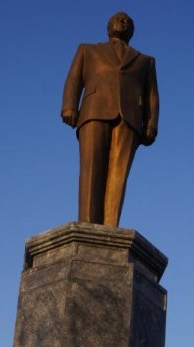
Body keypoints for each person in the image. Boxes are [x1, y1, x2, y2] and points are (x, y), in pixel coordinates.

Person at [61, 11, 159, 227]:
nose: (123, 21)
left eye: (128, 21)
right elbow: (74, 79)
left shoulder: (145, 61)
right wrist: (69, 106)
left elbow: (152, 93)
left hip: (129, 118)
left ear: (132, 30)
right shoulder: (88, 50)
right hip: (94, 111)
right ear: (108, 27)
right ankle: (87, 225)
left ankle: (110, 227)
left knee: (118, 174)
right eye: (118, 18)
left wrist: (151, 122)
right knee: (91, 170)